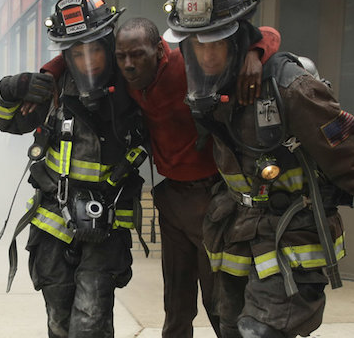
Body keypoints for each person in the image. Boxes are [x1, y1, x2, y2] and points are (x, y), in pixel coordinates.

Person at [162, 0, 354, 338]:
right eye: (197, 44)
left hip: (292, 237)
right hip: (237, 236)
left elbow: (353, 155)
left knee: (259, 332)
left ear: (238, 37)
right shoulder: (211, 93)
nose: (206, 56)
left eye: (216, 43)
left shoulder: (291, 88)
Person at [41, 17, 279, 338]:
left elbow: (268, 33)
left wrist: (254, 54)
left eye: (137, 55)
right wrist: (50, 71)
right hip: (172, 200)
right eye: (122, 56)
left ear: (158, 49)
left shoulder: (187, 65)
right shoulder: (124, 75)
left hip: (212, 200)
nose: (129, 64)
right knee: (176, 303)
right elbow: (77, 56)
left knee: (219, 301)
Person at [0, 0, 146, 338]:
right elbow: (5, 120)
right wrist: (12, 89)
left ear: (108, 41)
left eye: (95, 49)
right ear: (65, 53)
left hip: (107, 226)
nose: (88, 60)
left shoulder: (132, 85)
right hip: (52, 224)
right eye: (77, 52)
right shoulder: (52, 88)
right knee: (59, 321)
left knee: (90, 322)